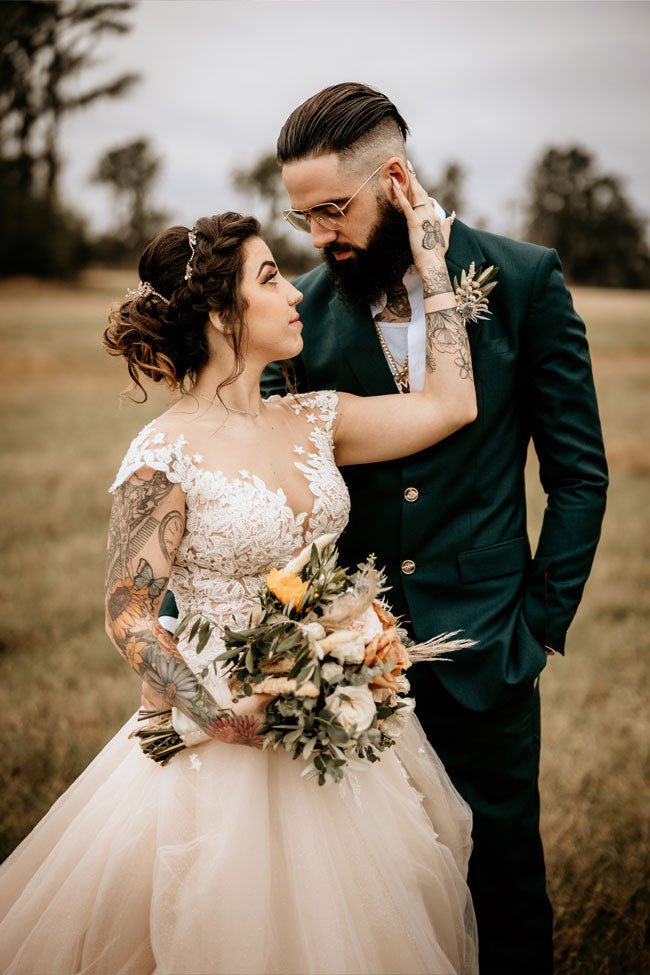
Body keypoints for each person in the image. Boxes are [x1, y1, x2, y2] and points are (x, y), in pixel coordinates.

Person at [0, 191, 481, 973]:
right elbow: (127, 612)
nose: (296, 292)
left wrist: (434, 264)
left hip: (337, 730)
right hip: (219, 737)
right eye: (270, 278)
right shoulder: (164, 454)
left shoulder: (315, 419)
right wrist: (219, 717)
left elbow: (452, 404)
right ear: (224, 313)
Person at [253, 82, 606, 974]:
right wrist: (298, 630)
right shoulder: (298, 314)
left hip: (490, 645)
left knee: (504, 881)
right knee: (378, 894)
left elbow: (577, 475)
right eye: (303, 218)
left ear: (397, 178)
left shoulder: (523, 279)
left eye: (333, 210)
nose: (319, 236)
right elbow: (271, 490)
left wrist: (537, 625)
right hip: (343, 666)